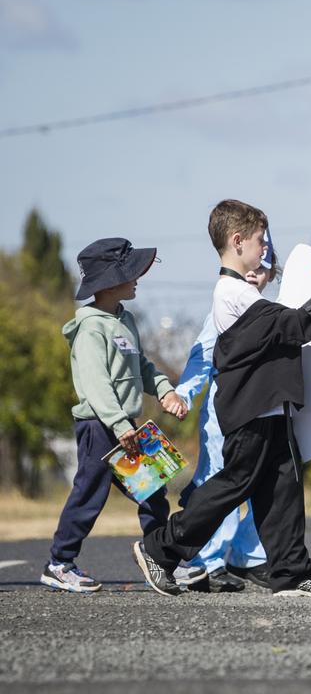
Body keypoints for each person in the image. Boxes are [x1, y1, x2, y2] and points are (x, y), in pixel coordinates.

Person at [133, 199, 311, 597]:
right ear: (237, 241)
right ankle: (159, 548)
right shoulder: (232, 294)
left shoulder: (244, 295)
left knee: (282, 490)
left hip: (270, 409)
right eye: (260, 241)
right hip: (251, 413)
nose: (265, 248)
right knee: (231, 487)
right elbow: (295, 325)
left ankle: (291, 573)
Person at [42, 238, 191, 592]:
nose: (138, 278)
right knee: (88, 496)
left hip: (125, 427)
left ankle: (160, 558)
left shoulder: (126, 320)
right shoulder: (91, 327)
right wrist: (118, 423)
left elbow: (141, 365)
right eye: (132, 273)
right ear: (110, 282)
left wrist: (165, 390)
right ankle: (59, 563)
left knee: (154, 493)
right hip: (101, 426)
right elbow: (96, 384)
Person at [172, 234, 279, 593]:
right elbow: (202, 355)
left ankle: (246, 557)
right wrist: (184, 393)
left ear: (271, 275)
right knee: (221, 484)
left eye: (265, 268)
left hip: (260, 415)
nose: (255, 273)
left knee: (260, 488)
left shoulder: (269, 312)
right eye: (255, 263)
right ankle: (208, 562)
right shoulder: (225, 305)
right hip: (223, 415)